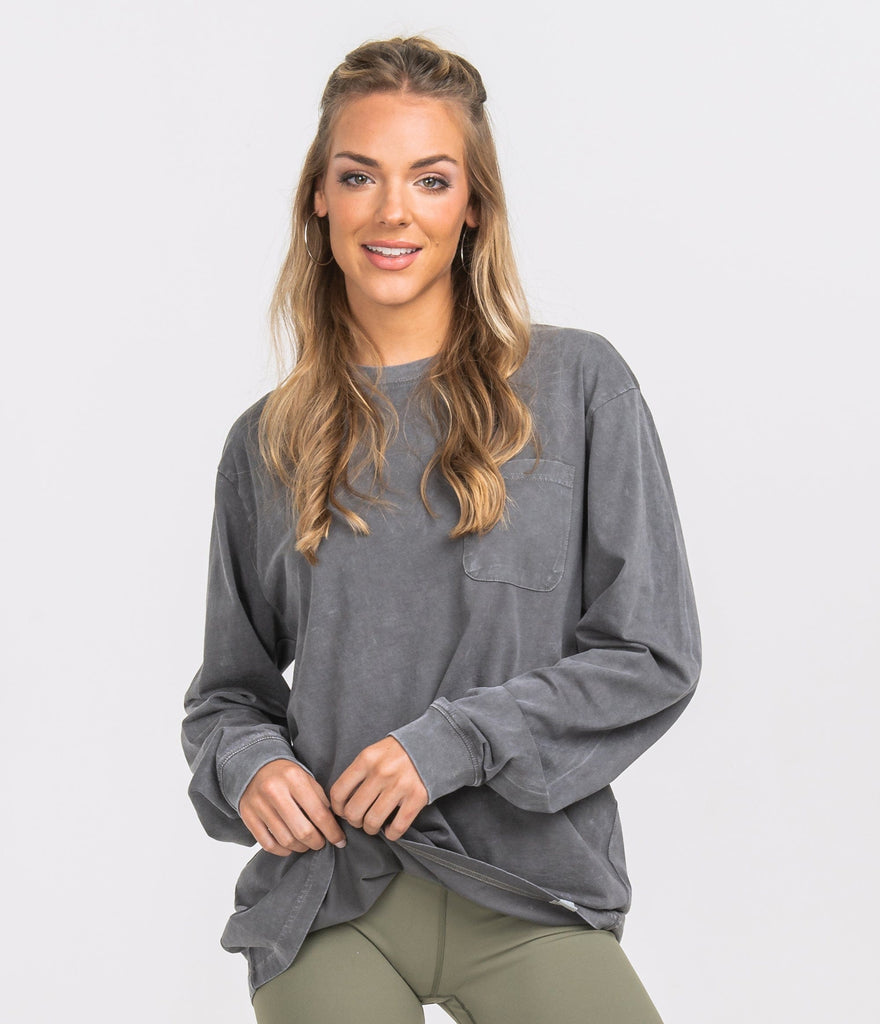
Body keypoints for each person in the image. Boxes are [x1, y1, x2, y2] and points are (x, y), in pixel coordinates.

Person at [181, 35, 701, 1024]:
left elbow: (651, 652)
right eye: (359, 176)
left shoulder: (580, 385)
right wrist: (252, 767)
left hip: (532, 886)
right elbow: (227, 697)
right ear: (319, 198)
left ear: (472, 207)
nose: (393, 211)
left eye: (430, 179)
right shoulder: (266, 441)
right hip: (329, 894)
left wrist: (455, 741)